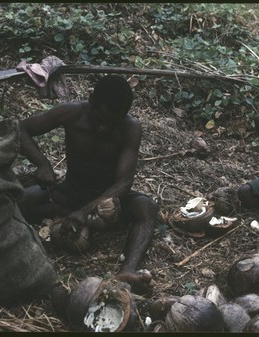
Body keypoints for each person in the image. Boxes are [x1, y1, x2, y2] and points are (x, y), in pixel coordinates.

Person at [18, 75, 158, 295]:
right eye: (100, 119)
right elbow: (21, 129)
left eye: (112, 123)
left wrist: (86, 211)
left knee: (146, 207)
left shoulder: (130, 128)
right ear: (91, 100)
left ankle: (127, 270)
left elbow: (124, 182)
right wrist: (42, 164)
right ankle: (68, 214)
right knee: (23, 199)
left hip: (107, 200)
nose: (103, 127)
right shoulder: (71, 113)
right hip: (71, 190)